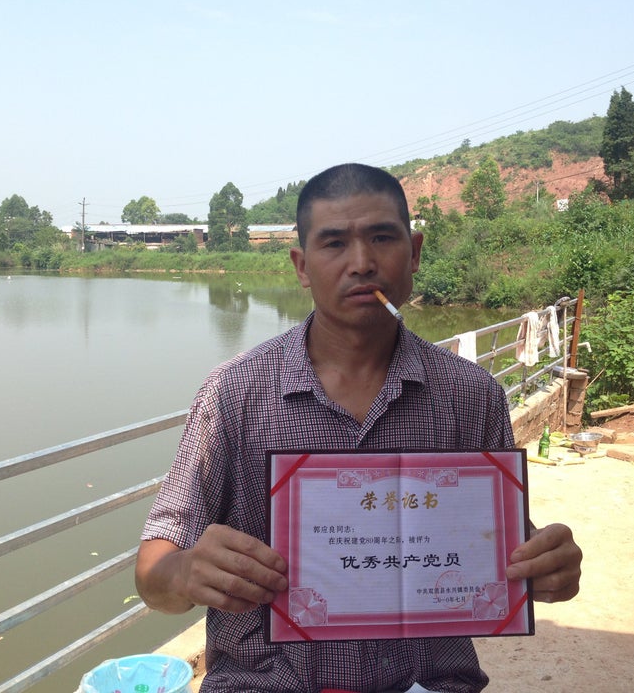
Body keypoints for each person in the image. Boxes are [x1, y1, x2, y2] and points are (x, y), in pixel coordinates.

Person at [136, 163, 582, 693]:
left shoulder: (469, 395)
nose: (362, 263)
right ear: (301, 266)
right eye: (333, 244)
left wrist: (542, 564)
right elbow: (152, 573)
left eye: (381, 238)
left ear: (413, 253)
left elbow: (495, 545)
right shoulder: (234, 394)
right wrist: (184, 573)